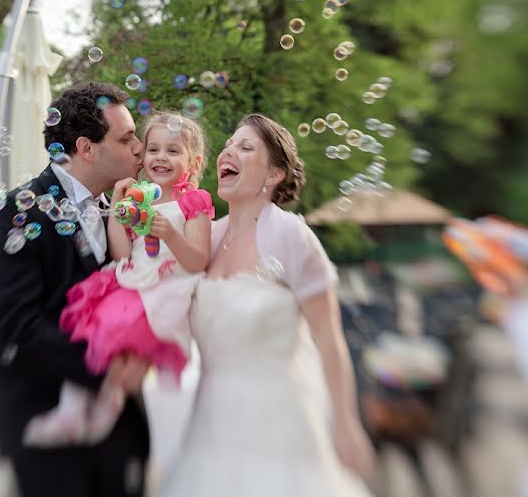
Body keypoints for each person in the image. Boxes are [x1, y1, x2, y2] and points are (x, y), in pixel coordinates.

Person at [160, 113, 375, 496]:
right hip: (209, 427)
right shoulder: (205, 239)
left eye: (246, 147)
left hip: (280, 428)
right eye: (228, 145)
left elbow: (329, 340)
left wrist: (345, 423)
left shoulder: (292, 236)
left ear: (274, 175)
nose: (229, 151)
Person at [0, 82, 151, 497]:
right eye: (126, 138)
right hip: (49, 435)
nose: (141, 148)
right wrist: (110, 365)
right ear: (87, 148)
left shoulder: (123, 214)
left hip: (121, 432)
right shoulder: (13, 216)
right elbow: (18, 327)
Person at [27, 111, 213, 447]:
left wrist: (170, 232)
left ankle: (105, 409)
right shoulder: (139, 197)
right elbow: (122, 253)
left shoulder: (193, 202)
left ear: (194, 161)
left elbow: (198, 260)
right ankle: (72, 411)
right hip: (130, 280)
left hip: (164, 291)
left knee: (111, 332)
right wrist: (118, 207)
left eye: (173, 151)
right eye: (153, 149)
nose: (161, 157)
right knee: (87, 330)